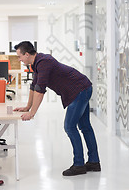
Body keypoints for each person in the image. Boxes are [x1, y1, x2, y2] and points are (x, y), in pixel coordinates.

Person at [14, 41, 100, 176]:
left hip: (79, 90)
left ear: (26, 54)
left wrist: (32, 113)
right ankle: (94, 162)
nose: (19, 59)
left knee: (70, 127)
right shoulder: (37, 63)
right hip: (82, 87)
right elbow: (34, 86)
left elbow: (40, 91)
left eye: (19, 56)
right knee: (85, 127)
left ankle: (79, 165)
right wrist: (27, 107)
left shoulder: (44, 62)